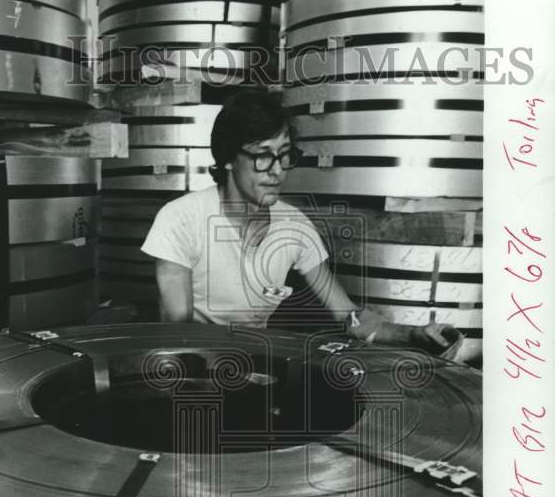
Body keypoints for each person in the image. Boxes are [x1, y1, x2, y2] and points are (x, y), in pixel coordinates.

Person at [140, 89, 458, 352]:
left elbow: (349, 317)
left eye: (284, 155)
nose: (277, 170)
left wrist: (413, 335)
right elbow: (176, 329)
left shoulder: (294, 226)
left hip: (255, 363)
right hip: (193, 368)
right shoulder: (181, 218)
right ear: (227, 158)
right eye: (262, 154)